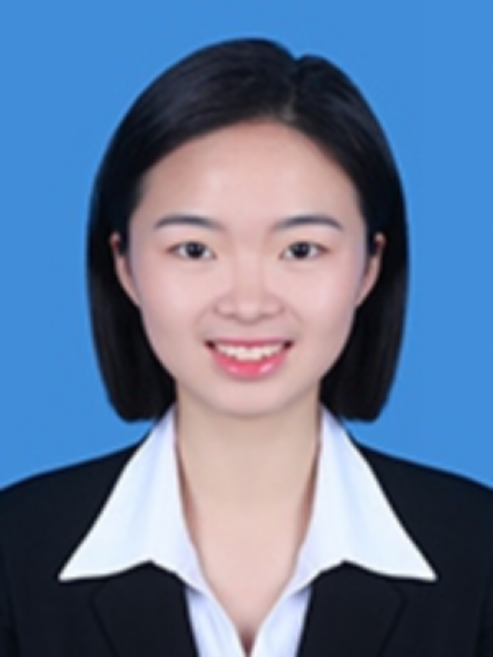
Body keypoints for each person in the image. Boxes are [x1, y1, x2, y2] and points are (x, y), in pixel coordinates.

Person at [0, 38, 492, 658]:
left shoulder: (478, 553)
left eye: (301, 250)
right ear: (124, 264)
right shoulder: (16, 553)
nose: (249, 303)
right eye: (195, 250)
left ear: (370, 266)